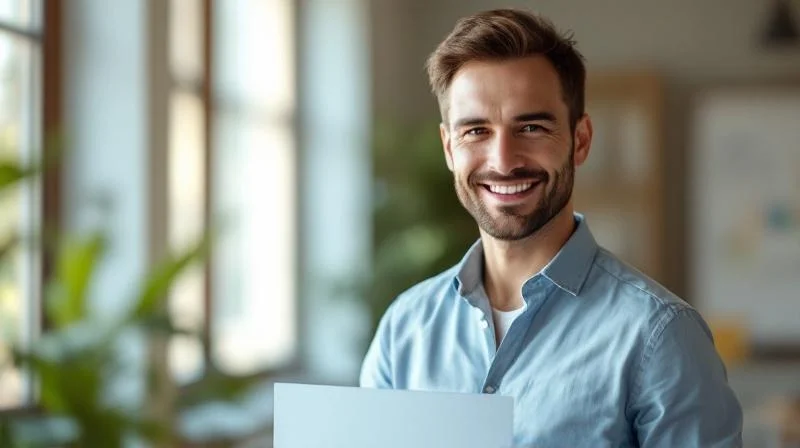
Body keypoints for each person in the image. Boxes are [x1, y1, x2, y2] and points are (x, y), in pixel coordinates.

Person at [359, 8, 743, 447]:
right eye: (476, 131)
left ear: (580, 141)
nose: (503, 161)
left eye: (531, 127)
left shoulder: (661, 336)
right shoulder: (403, 329)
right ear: (449, 148)